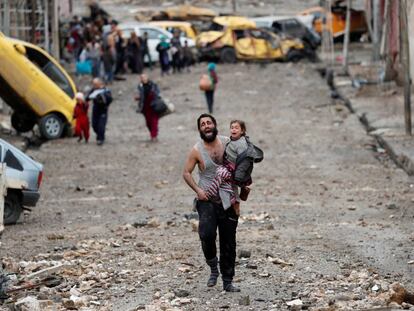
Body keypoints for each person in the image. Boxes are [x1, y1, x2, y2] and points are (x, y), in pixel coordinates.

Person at [183, 114, 240, 292]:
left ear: (215, 125)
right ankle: (213, 267)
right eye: (203, 125)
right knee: (206, 235)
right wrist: (198, 191)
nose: (206, 126)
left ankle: (228, 281)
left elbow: (243, 164)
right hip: (207, 199)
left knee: (228, 242)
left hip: (228, 199)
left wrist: (242, 190)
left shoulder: (228, 143)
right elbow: (186, 172)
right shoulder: (196, 150)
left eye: (209, 123)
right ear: (200, 129)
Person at [204, 120, 254, 216]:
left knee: (220, 173)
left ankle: (210, 193)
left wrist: (238, 175)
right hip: (228, 166)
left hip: (235, 170)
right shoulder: (231, 140)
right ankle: (236, 201)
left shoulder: (241, 144)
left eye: (236, 128)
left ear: (242, 131)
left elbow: (244, 160)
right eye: (232, 127)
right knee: (230, 186)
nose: (233, 129)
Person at [86, 78, 112, 145]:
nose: (94, 85)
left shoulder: (106, 90)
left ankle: (101, 139)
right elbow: (87, 97)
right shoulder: (93, 90)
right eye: (93, 84)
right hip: (95, 109)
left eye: (95, 84)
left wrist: (103, 98)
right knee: (94, 125)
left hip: (103, 110)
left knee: (101, 125)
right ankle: (99, 134)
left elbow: (110, 99)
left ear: (100, 84)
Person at [136, 74, 160, 142]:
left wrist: (154, 96)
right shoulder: (140, 86)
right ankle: (153, 133)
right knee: (148, 122)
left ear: (147, 78)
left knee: (154, 121)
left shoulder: (153, 85)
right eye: (142, 78)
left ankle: (154, 136)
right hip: (145, 106)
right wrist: (138, 98)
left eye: (144, 77)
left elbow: (158, 93)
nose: (143, 79)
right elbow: (141, 96)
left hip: (153, 105)